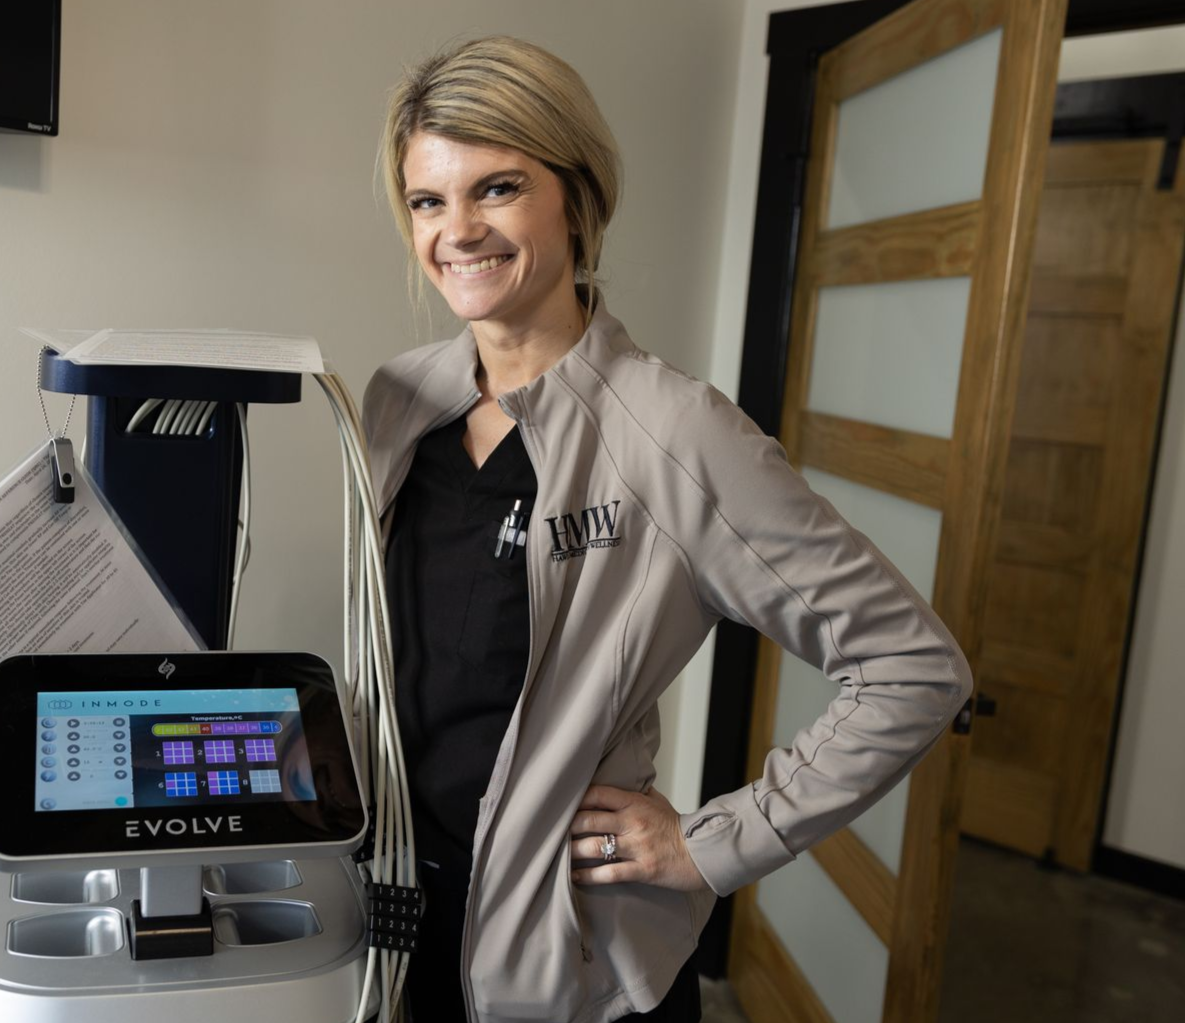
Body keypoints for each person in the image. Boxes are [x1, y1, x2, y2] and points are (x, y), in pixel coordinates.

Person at [364, 36, 971, 1023]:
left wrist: (713, 842)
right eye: (428, 201)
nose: (458, 230)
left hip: (572, 966)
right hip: (405, 925)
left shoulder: (676, 432)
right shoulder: (400, 401)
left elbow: (915, 667)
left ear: (575, 196)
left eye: (499, 188)